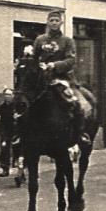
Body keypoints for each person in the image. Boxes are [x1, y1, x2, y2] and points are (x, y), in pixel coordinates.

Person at [31, 10, 86, 147]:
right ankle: (21, 135)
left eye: (57, 20)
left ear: (61, 23)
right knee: (25, 101)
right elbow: (33, 58)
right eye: (51, 20)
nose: (54, 23)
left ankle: (80, 134)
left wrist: (54, 65)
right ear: (47, 22)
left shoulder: (67, 41)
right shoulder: (40, 40)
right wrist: (37, 66)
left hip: (62, 78)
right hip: (41, 79)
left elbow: (71, 60)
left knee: (74, 102)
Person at [0, 88, 17, 177]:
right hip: (5, 131)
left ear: (13, 96)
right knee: (4, 149)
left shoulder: (16, 106)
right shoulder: (2, 106)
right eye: (6, 94)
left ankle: (19, 169)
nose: (7, 96)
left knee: (17, 149)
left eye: (9, 94)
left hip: (15, 131)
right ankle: (5, 168)